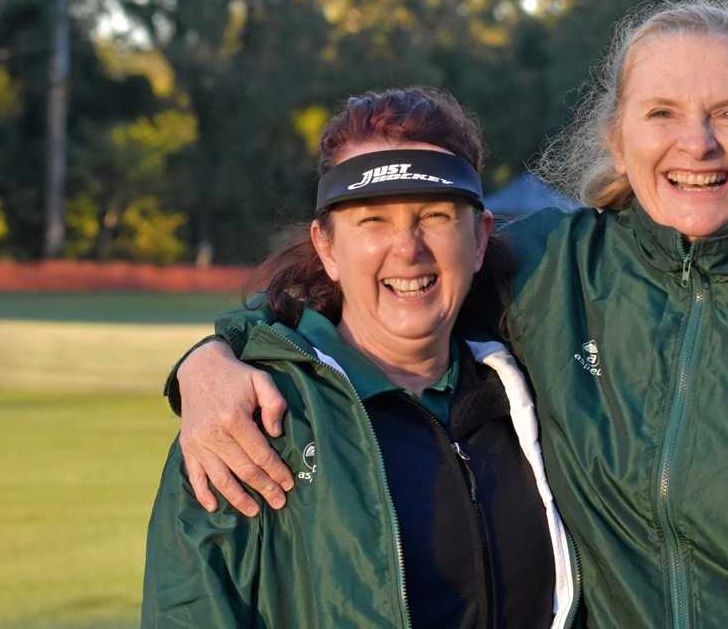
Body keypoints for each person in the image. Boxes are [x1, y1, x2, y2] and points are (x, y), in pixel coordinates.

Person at [168, 0, 728, 627]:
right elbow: (370, 287)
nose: (696, 143)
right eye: (661, 113)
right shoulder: (551, 269)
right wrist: (212, 359)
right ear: (617, 136)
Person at [141, 89, 578, 628]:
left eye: (435, 216)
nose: (408, 248)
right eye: (373, 221)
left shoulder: (538, 396)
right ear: (327, 247)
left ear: (480, 238)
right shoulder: (249, 423)